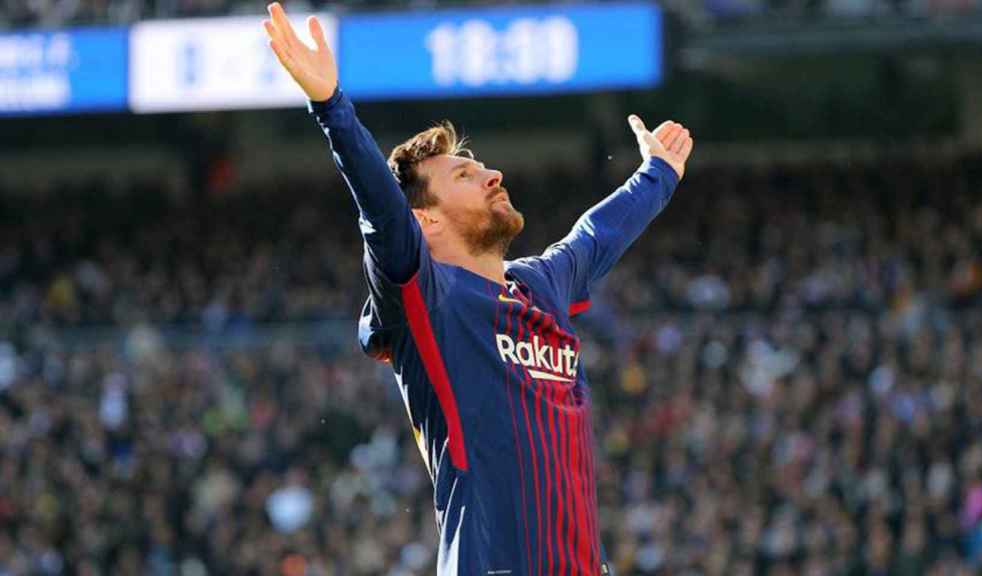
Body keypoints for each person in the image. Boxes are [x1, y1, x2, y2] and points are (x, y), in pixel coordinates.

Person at [262, 3, 693, 573]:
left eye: (482, 167)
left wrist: (657, 175)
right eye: (465, 175)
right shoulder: (428, 299)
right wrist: (332, 107)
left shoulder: (539, 284)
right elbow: (384, 214)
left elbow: (594, 237)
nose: (493, 175)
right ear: (427, 221)